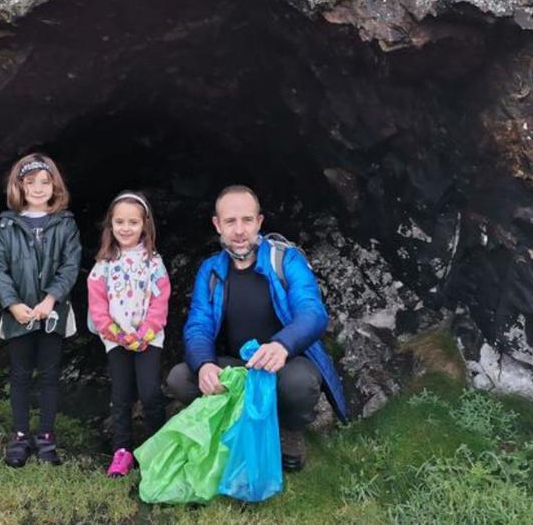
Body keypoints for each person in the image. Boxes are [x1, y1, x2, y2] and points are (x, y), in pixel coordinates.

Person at [166, 185, 348, 472]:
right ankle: (235, 425)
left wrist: (282, 345)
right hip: (239, 366)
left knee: (300, 383)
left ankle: (288, 431)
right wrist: (204, 365)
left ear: (259, 222)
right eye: (230, 221)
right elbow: (198, 324)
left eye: (247, 220)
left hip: (283, 364)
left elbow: (312, 312)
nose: (239, 230)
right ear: (217, 225)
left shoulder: (285, 260)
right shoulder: (211, 270)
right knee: (180, 378)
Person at [0, 153, 82, 468]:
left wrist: (50, 299)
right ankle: (18, 436)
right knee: (19, 375)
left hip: (51, 312)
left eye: (45, 182)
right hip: (18, 314)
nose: (39, 189)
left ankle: (45, 437)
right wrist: (13, 304)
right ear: (20, 186)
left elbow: (71, 264)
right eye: (31, 183)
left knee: (50, 375)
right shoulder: (6, 224)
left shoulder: (65, 223)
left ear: (55, 186)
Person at [87, 192, 170, 478]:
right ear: (110, 225)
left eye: (132, 222)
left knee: (149, 392)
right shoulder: (103, 265)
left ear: (145, 225)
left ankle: (159, 447)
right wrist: (116, 333)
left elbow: (161, 301)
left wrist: (146, 332)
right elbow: (97, 307)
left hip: (149, 339)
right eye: (119, 222)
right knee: (120, 394)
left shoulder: (154, 263)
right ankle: (121, 451)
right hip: (117, 340)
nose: (125, 228)